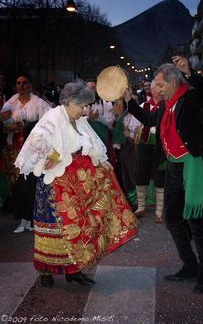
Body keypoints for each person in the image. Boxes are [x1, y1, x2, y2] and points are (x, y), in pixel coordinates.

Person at [15, 80, 138, 288]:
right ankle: (46, 270)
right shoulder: (52, 118)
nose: (85, 111)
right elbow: (35, 142)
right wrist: (50, 155)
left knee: (79, 226)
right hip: (55, 184)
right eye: (82, 106)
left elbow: (91, 142)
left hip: (75, 182)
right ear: (69, 101)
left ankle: (74, 269)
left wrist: (102, 160)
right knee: (54, 228)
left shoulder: (79, 119)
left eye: (86, 106)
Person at [124, 56, 203, 294]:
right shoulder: (165, 104)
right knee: (173, 219)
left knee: (197, 222)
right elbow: (150, 119)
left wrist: (189, 71)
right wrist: (130, 103)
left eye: (161, 84)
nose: (158, 89)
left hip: (194, 166)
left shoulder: (190, 98)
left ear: (174, 81)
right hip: (174, 166)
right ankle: (190, 265)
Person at [1, 73, 51, 232]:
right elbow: (4, 121)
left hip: (32, 146)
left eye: (24, 83)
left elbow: (48, 123)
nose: (21, 86)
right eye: (18, 83)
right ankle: (22, 215)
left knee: (28, 180)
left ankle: (28, 217)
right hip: (15, 144)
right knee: (16, 180)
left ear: (30, 85)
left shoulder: (39, 103)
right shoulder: (11, 101)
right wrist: (8, 124)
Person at [133, 79, 166, 223]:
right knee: (141, 173)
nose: (158, 91)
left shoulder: (166, 106)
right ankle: (141, 207)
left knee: (160, 175)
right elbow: (134, 125)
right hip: (145, 144)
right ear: (151, 91)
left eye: (160, 88)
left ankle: (159, 212)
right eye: (155, 89)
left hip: (161, 145)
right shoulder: (143, 106)